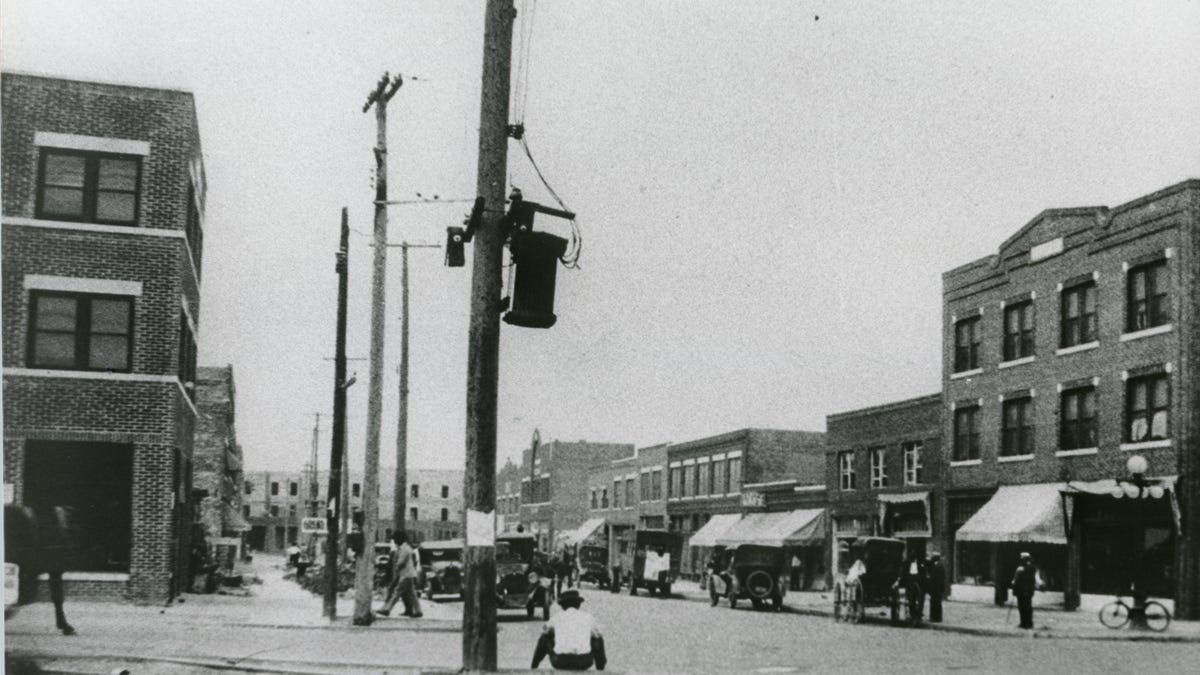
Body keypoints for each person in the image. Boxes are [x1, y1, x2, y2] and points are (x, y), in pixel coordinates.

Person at [531, 589, 607, 671]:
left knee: (545, 638)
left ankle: (534, 665)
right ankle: (600, 668)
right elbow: (598, 635)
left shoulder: (557, 617)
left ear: (562, 606)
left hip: (560, 661)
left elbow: (544, 631)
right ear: (578, 604)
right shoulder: (588, 617)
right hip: (584, 661)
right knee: (597, 638)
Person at [378, 532, 422, 618]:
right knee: (412, 594)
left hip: (406, 575)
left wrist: (396, 568)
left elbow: (400, 562)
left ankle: (387, 609)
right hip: (408, 574)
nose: (394, 541)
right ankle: (418, 611)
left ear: (400, 539)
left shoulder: (405, 549)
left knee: (396, 592)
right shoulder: (404, 548)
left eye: (395, 539)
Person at [1010, 551, 1038, 630]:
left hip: (1027, 590)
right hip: (1021, 590)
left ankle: (1028, 623)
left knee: (1027, 606)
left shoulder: (1031, 568)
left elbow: (1031, 579)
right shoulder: (1020, 568)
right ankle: (1024, 622)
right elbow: (1016, 579)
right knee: (1021, 606)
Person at [895, 551, 925, 623]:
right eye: (912, 559)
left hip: (917, 582)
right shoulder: (906, 564)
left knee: (919, 599)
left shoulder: (919, 564)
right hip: (909, 582)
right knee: (910, 599)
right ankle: (912, 615)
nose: (913, 560)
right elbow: (903, 573)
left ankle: (918, 614)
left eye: (914, 559)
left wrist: (920, 580)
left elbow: (922, 573)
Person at [926, 552, 945, 623]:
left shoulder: (939, 566)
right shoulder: (936, 565)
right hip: (935, 588)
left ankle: (937, 618)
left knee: (937, 603)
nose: (932, 558)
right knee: (934, 602)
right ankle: (934, 617)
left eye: (933, 557)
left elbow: (940, 579)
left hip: (937, 588)